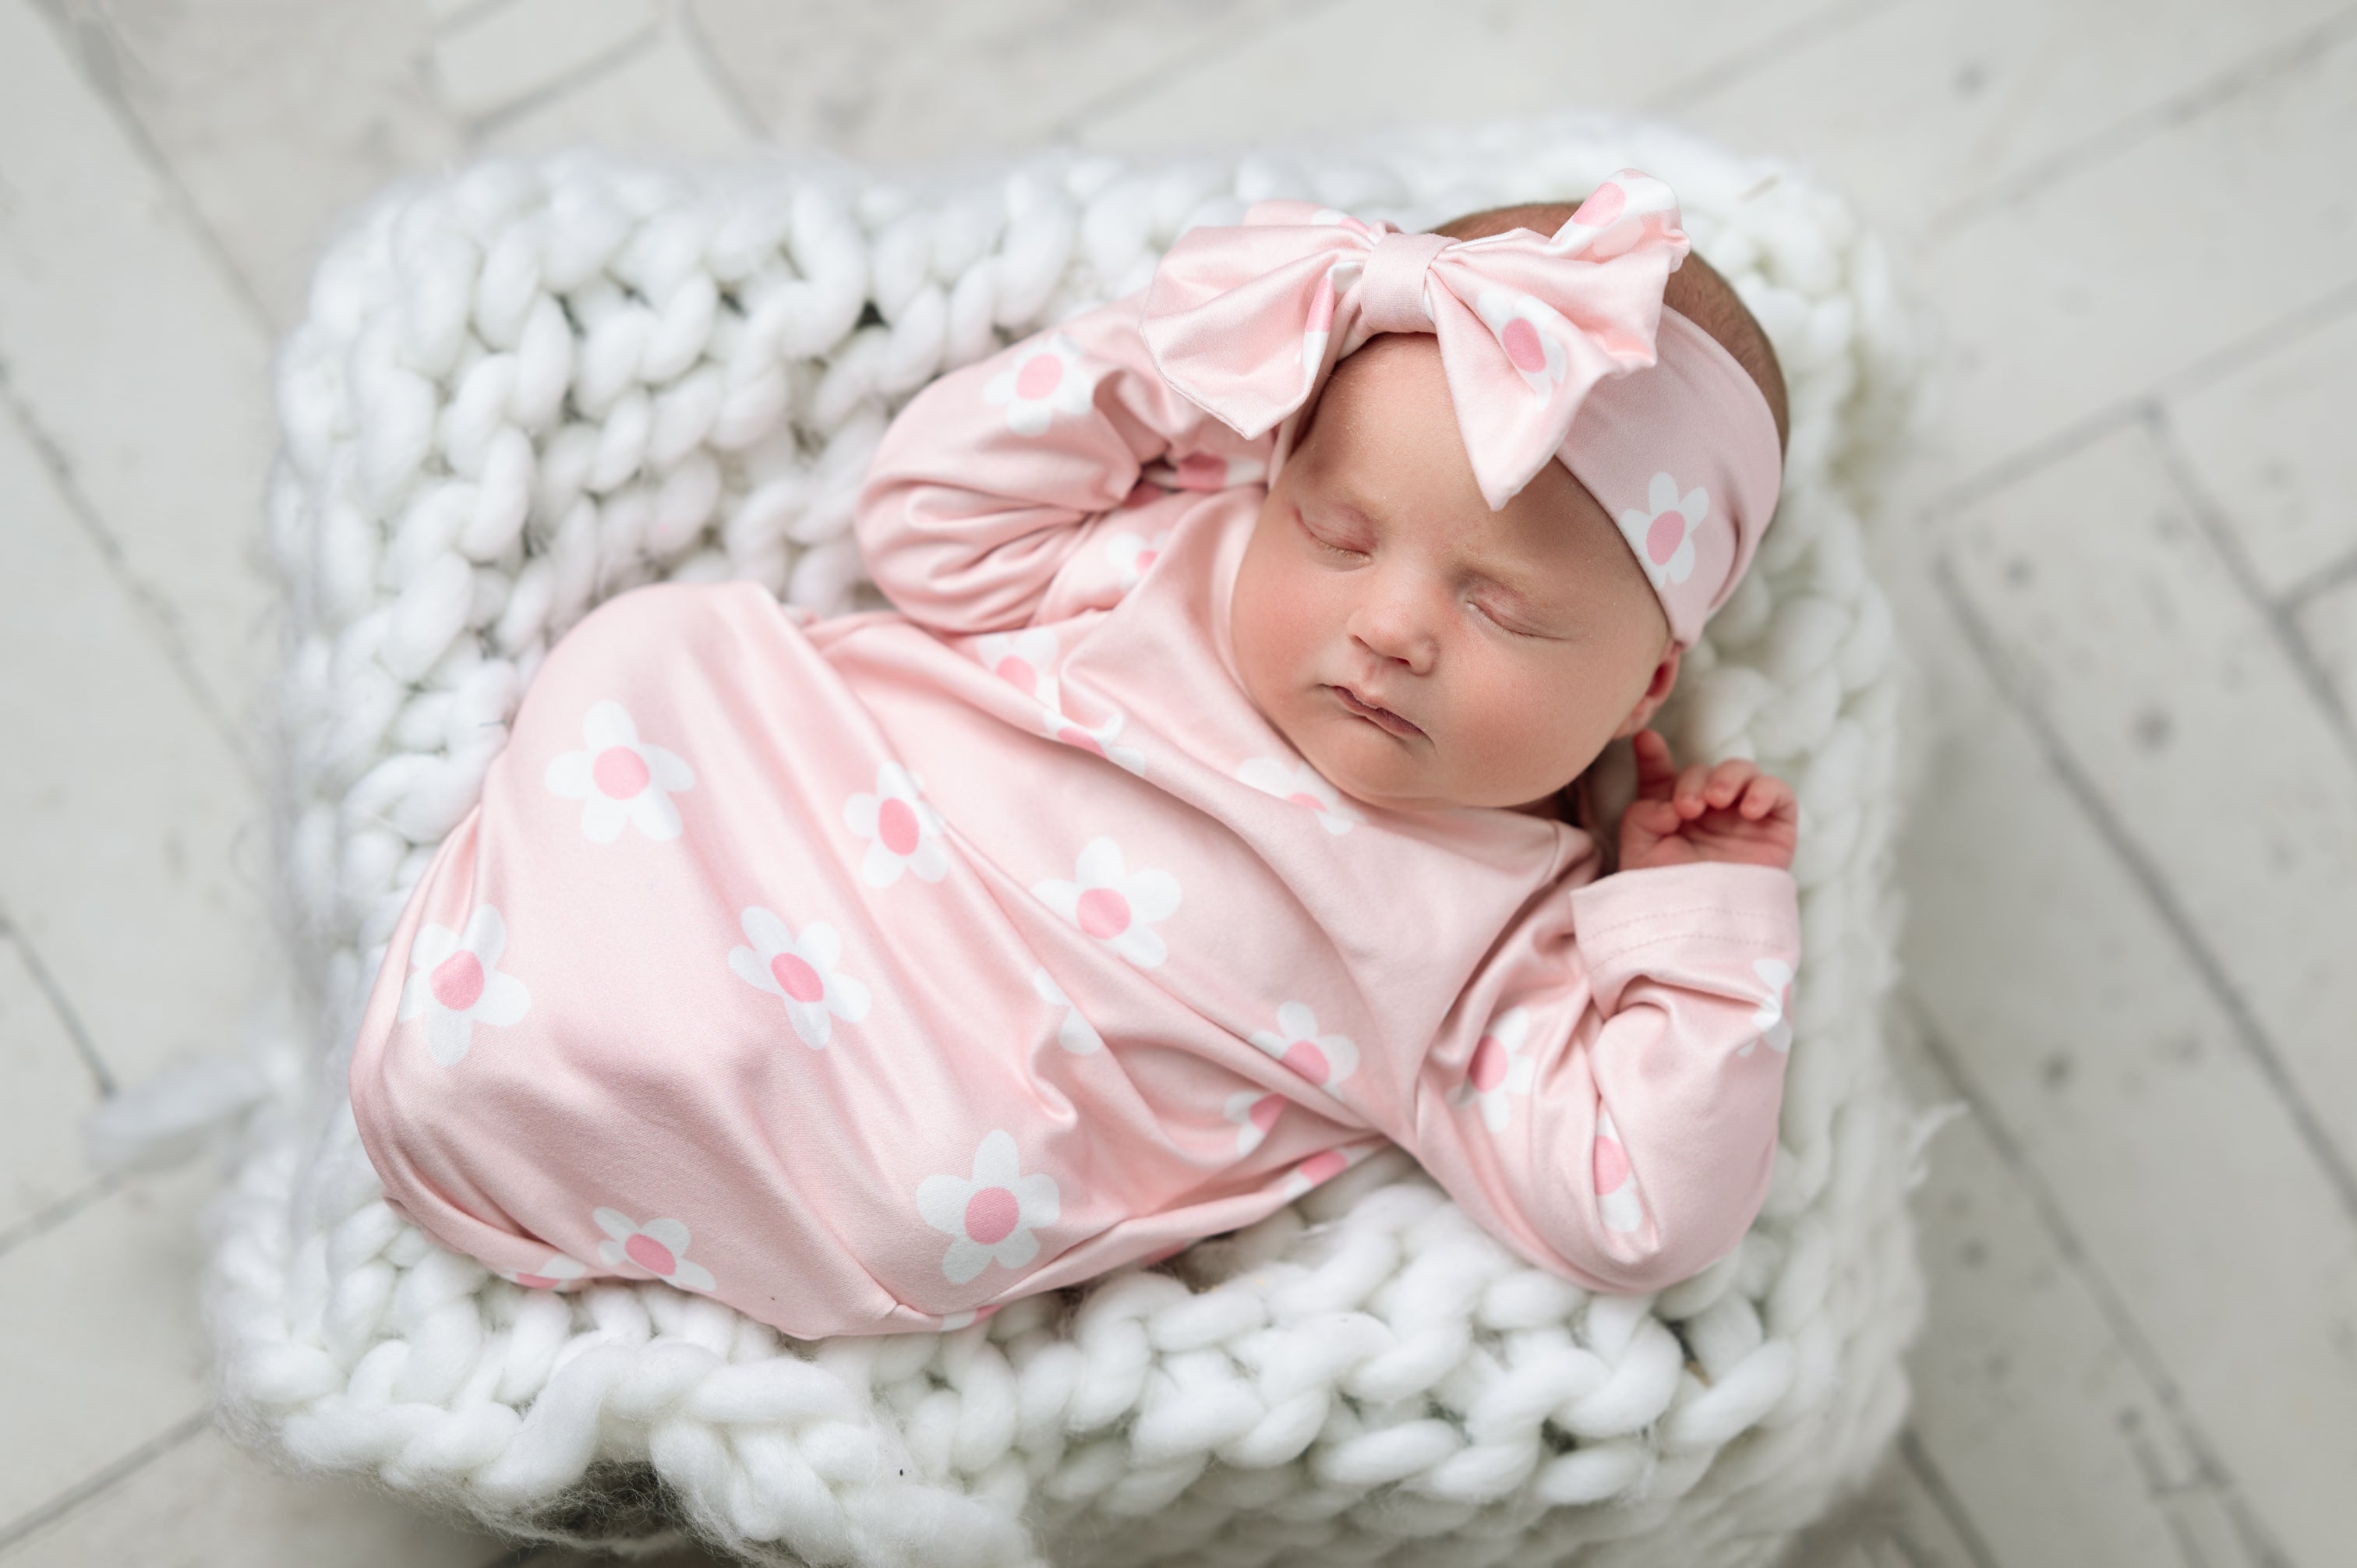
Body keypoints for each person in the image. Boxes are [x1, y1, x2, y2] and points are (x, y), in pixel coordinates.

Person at [347, 169, 1804, 1340]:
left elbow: (1640, 1212)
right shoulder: (1173, 546)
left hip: (951, 1063)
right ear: (1278, 476)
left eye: (1504, 610)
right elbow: (920, 518)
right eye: (1340, 534)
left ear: (1642, 689)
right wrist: (1182, 367)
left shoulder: (1504, 949)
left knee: (930, 1196)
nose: (1395, 626)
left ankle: (573, 1107)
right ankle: (535, 1026)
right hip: (808, 801)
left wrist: (1697, 923)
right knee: (655, 651)